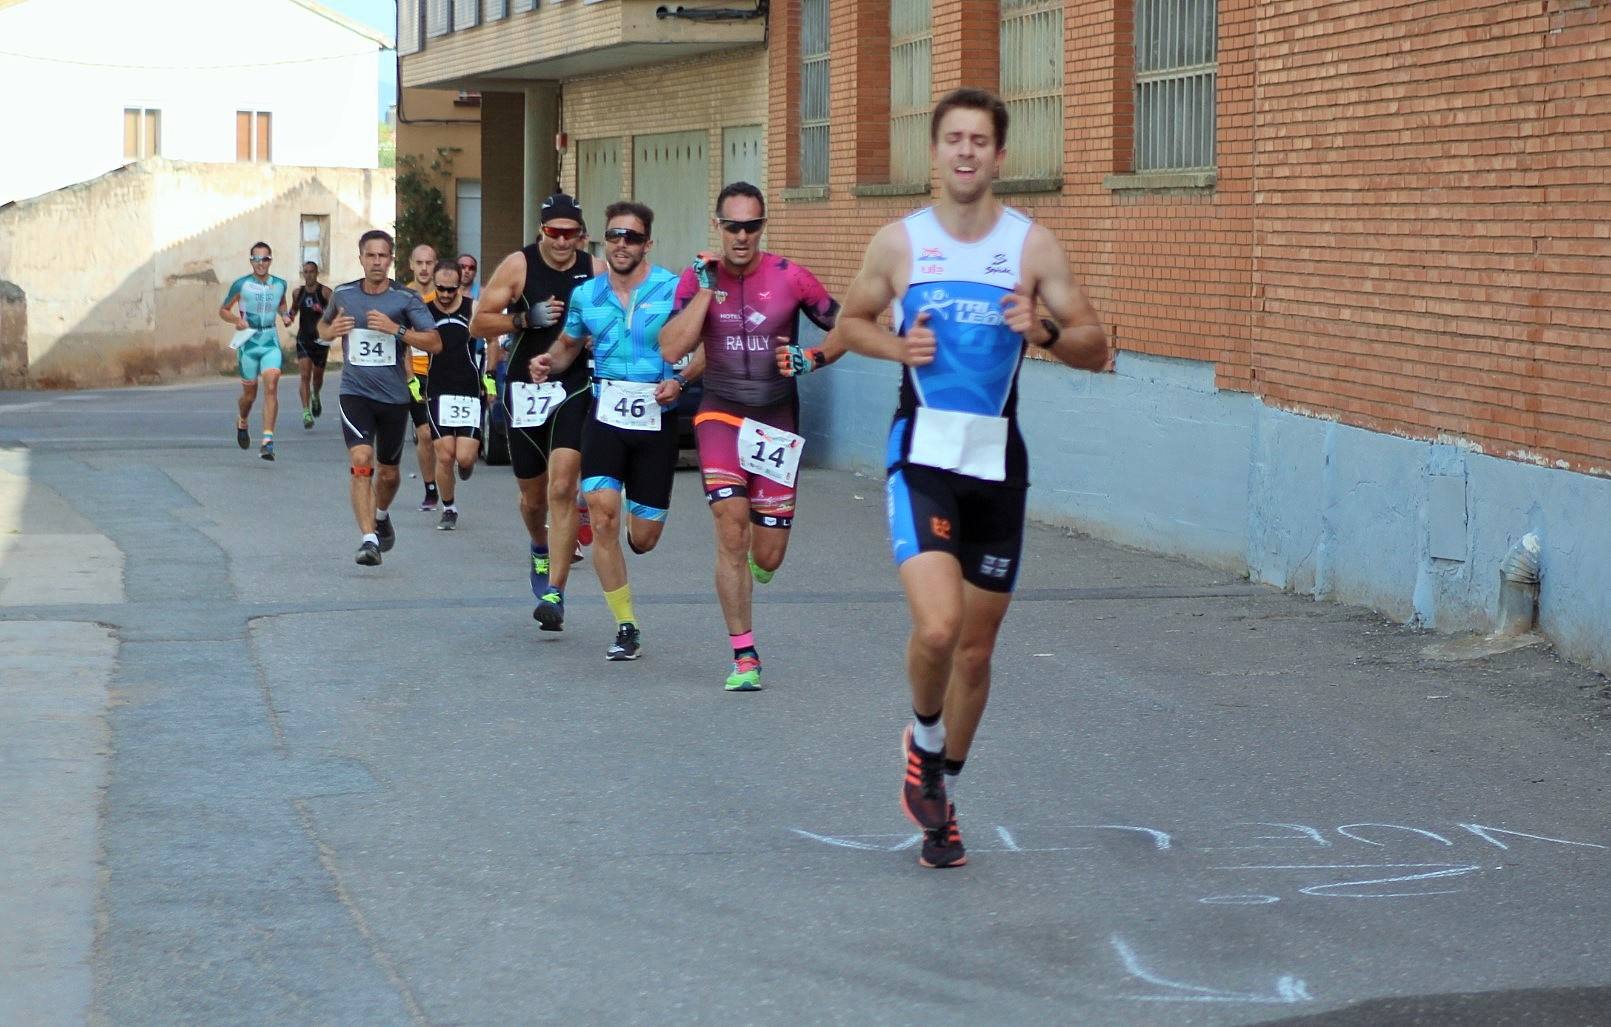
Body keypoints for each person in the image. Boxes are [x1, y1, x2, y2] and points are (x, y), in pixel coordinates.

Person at [835, 89, 1109, 868]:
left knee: (976, 652)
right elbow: (848, 323)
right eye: (952, 138)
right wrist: (897, 349)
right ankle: (923, 742)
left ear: (998, 156)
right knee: (938, 627)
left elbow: (1096, 346)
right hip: (922, 453)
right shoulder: (900, 243)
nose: (964, 152)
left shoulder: (1031, 247)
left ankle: (941, 797)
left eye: (978, 140)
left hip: (996, 465)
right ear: (934, 152)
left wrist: (1044, 330)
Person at [660, 182, 843, 691]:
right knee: (730, 527)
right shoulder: (696, 277)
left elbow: (849, 325)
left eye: (752, 226)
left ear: (763, 226)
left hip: (776, 422)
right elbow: (670, 347)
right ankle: (744, 656)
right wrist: (704, 292)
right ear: (717, 225)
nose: (741, 236)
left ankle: (756, 567)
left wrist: (815, 357)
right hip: (720, 415)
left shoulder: (791, 276)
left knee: (767, 555)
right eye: (732, 226)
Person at [529, 201, 701, 661]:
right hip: (605, 413)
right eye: (614, 236)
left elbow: (707, 344)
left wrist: (682, 380)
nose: (622, 244)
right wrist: (548, 362)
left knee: (643, 538)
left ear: (648, 244)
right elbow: (568, 345)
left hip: (656, 417)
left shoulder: (673, 289)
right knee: (603, 514)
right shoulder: (587, 295)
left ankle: (627, 531)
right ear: (603, 241)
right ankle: (627, 626)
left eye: (632, 237)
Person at [469, 194, 598, 630]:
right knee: (533, 498)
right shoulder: (518, 266)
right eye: (553, 233)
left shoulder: (594, 269)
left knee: (562, 487)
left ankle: (555, 593)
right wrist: (524, 320)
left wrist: (599, 332)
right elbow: (478, 323)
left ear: (581, 235)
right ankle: (539, 545)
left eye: (570, 234)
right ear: (541, 231)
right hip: (525, 390)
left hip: (573, 385)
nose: (562, 242)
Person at [319, 230, 442, 566]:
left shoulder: (405, 299)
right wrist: (332, 332)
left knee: (388, 473)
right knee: (362, 459)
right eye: (370, 255)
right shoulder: (344, 294)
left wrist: (396, 329)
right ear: (360, 258)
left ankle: (382, 515)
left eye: (382, 255)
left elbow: (435, 342)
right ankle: (369, 539)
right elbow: (323, 328)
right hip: (354, 392)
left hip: (393, 397)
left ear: (391, 260)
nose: (376, 261)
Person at [424, 260, 483, 530]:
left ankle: (467, 463)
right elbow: (406, 344)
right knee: (445, 455)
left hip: (468, 388)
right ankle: (449, 507)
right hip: (437, 389)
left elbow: (491, 341)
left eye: (451, 289)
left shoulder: (473, 308)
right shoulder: (424, 311)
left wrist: (489, 376)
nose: (446, 295)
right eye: (441, 289)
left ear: (460, 285)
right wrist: (411, 379)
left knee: (465, 457)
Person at [218, 242, 290, 460]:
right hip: (248, 343)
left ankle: (267, 441)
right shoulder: (241, 284)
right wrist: (236, 320)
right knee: (250, 396)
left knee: (271, 387)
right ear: (251, 261)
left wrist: (285, 315)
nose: (260, 263)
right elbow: (223, 310)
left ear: (270, 260)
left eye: (265, 259)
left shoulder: (280, 284)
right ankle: (242, 419)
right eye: (256, 259)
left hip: (270, 341)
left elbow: (281, 304)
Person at [405, 243, 440, 510]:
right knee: (425, 433)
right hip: (416, 372)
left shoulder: (445, 295)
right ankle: (430, 488)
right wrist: (410, 378)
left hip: (443, 372)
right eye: (419, 263)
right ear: (411, 265)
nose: (424, 268)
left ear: (435, 265)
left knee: (447, 440)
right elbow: (400, 341)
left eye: (429, 263)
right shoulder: (402, 297)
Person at [290, 261, 332, 429]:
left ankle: (316, 395)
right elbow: (294, 310)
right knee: (305, 376)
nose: (308, 275)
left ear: (317, 273)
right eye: (306, 272)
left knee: (317, 377)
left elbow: (336, 313)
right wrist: (288, 316)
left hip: (321, 340)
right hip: (304, 339)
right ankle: (306, 412)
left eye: (311, 272)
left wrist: (321, 310)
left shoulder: (326, 292)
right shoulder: (297, 293)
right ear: (303, 274)